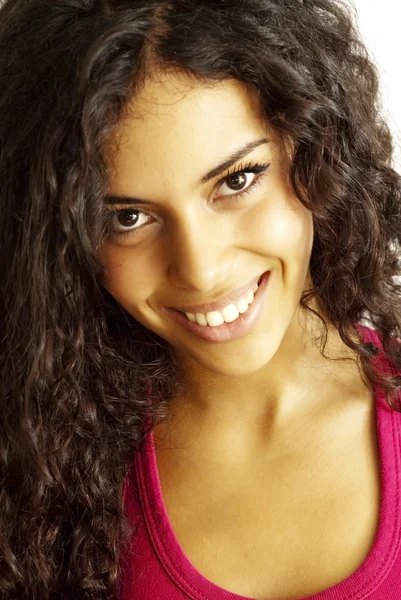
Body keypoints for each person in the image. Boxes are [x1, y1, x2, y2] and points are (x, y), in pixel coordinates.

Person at [1, 0, 401, 598]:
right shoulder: (40, 468)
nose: (202, 269)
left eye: (236, 180)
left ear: (317, 149)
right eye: (128, 217)